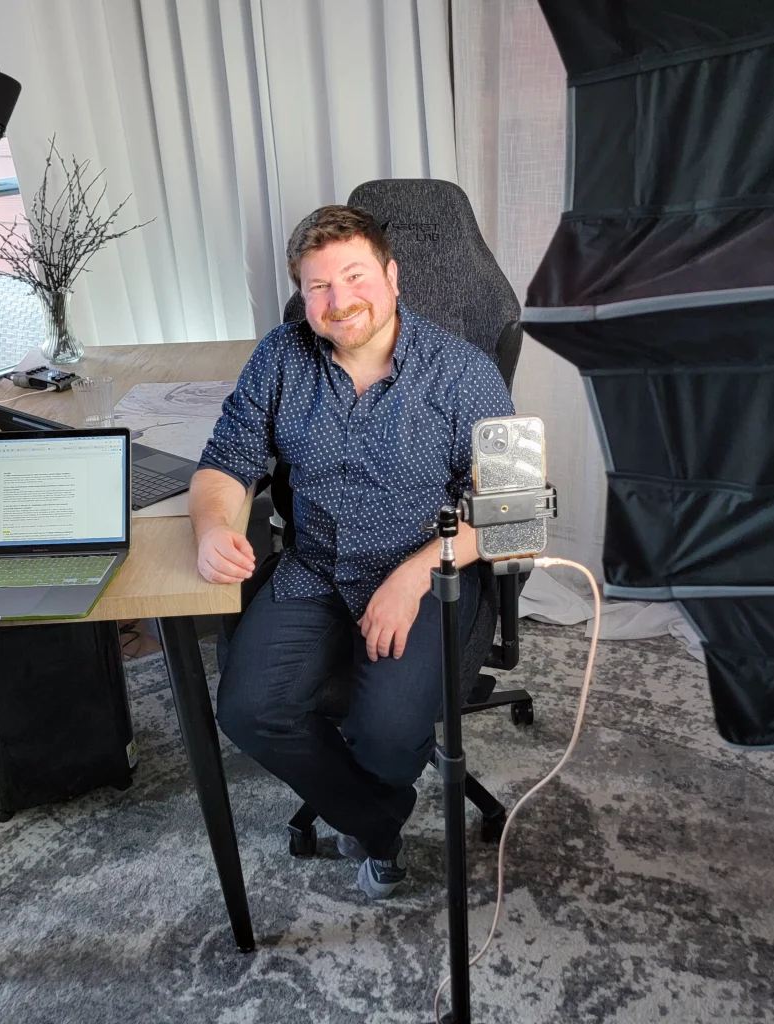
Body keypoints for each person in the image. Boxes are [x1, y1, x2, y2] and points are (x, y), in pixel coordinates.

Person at [190, 205, 514, 899]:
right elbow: (226, 459)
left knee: (390, 736)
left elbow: (513, 510)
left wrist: (413, 572)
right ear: (301, 297)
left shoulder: (464, 373)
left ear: (392, 277)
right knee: (247, 710)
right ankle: (381, 819)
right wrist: (215, 527)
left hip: (427, 572)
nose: (339, 301)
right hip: (314, 566)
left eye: (354, 276)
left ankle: (367, 804)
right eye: (317, 287)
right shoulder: (280, 356)